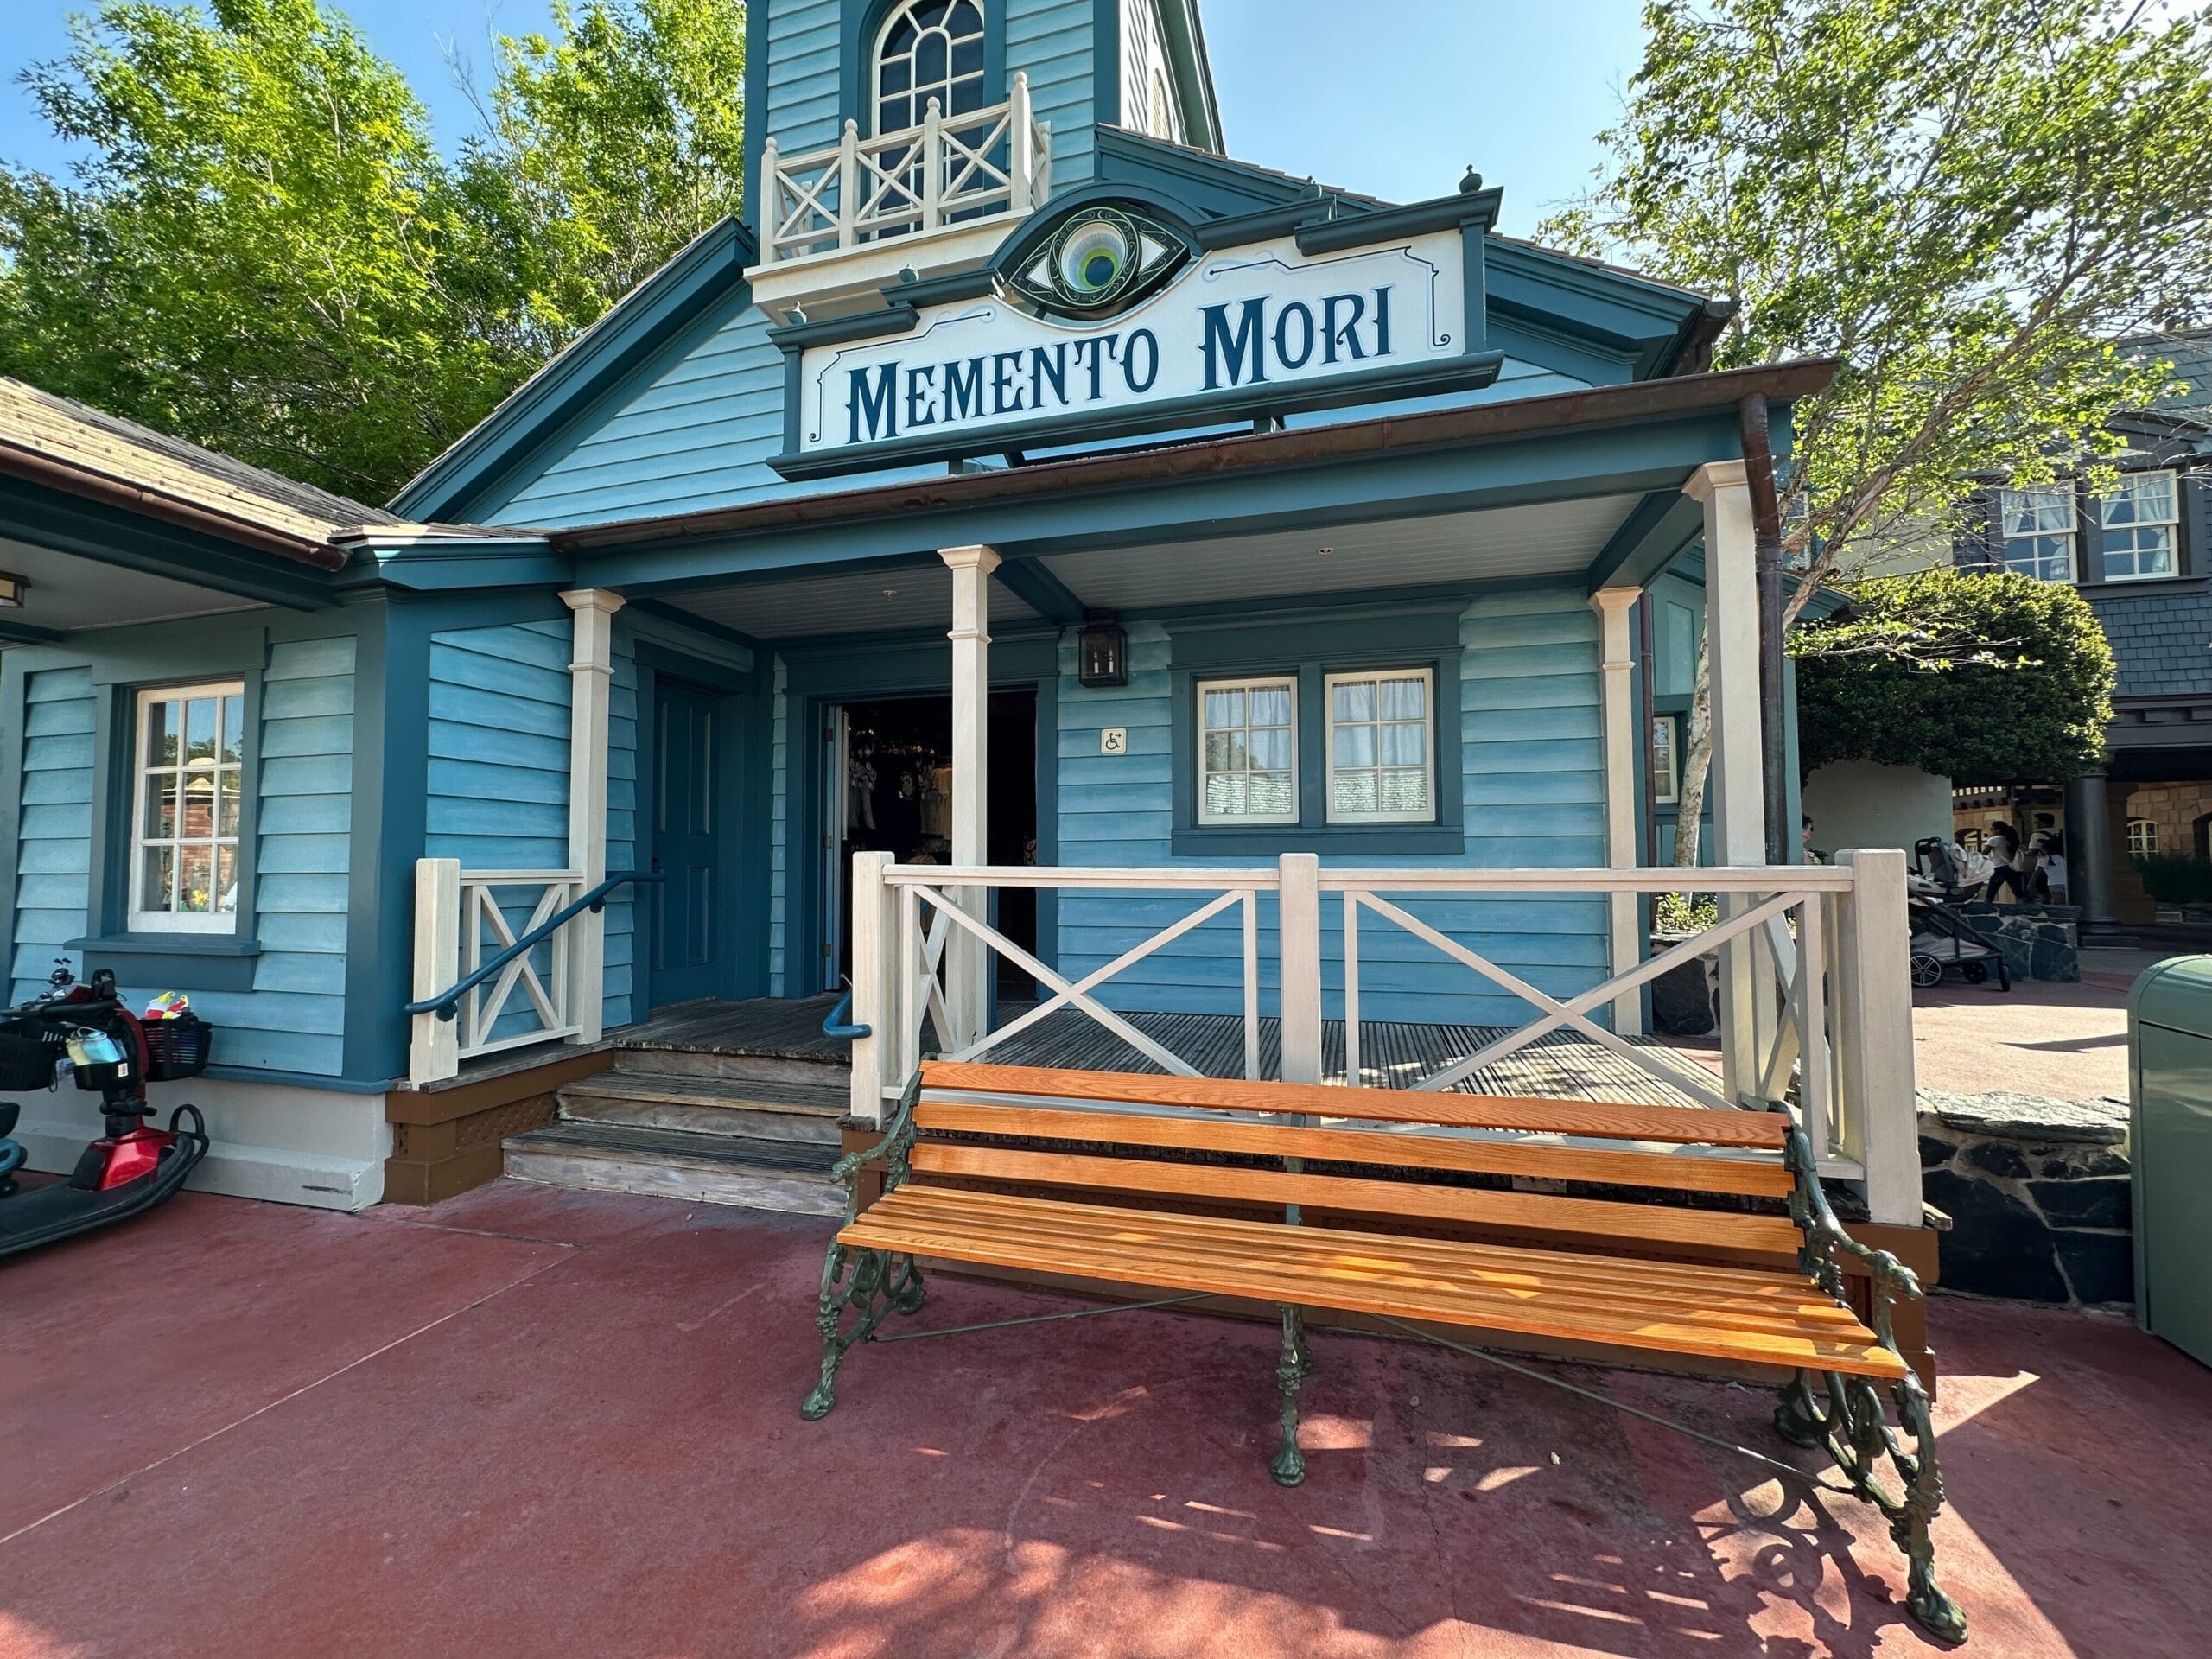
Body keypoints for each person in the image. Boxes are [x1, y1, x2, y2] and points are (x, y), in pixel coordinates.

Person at [1983, 820, 2029, 902]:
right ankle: (2027, 907)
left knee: (1991, 893)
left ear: (1998, 830)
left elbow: (1985, 852)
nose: (1991, 831)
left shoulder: (1993, 840)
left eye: (1992, 829)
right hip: (2011, 867)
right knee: (2018, 892)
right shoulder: (2009, 839)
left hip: (1998, 867)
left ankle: (1986, 910)